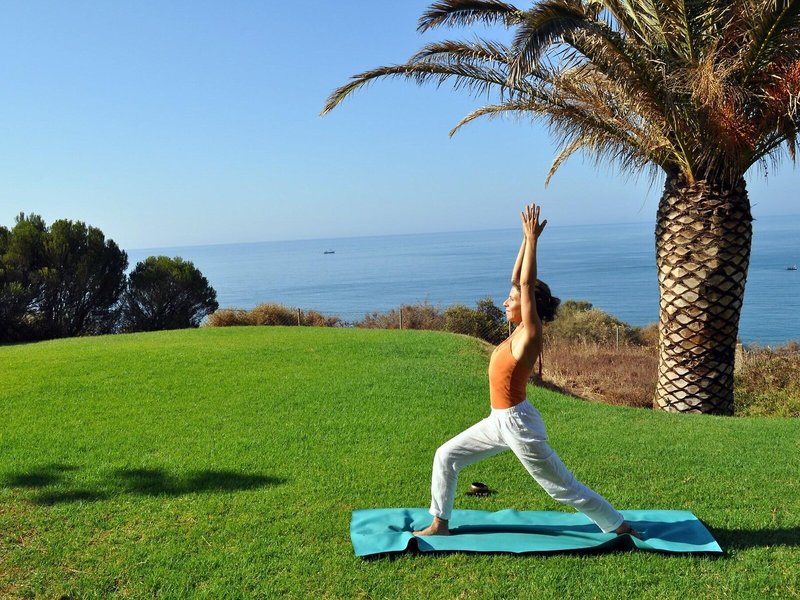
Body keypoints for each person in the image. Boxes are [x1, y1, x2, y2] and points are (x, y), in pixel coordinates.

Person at [413, 203, 638, 538]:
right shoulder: (517, 330)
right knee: (446, 455)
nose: (505, 301)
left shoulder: (531, 332)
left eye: (511, 299)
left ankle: (618, 526)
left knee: (562, 488)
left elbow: (526, 282)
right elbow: (517, 279)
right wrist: (524, 239)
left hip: (518, 424)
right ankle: (439, 524)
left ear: (528, 304)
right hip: (498, 420)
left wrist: (533, 242)